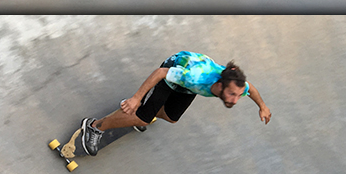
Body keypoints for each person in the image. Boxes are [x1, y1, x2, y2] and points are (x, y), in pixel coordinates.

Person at [81, 51, 272, 155]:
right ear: (220, 85)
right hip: (172, 71)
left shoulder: (234, 84)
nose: (235, 100)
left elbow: (251, 89)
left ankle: (144, 111)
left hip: (185, 87)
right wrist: (136, 98)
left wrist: (262, 107)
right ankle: (95, 126)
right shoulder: (195, 78)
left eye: (237, 96)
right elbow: (160, 73)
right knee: (143, 118)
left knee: (171, 117)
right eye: (231, 94)